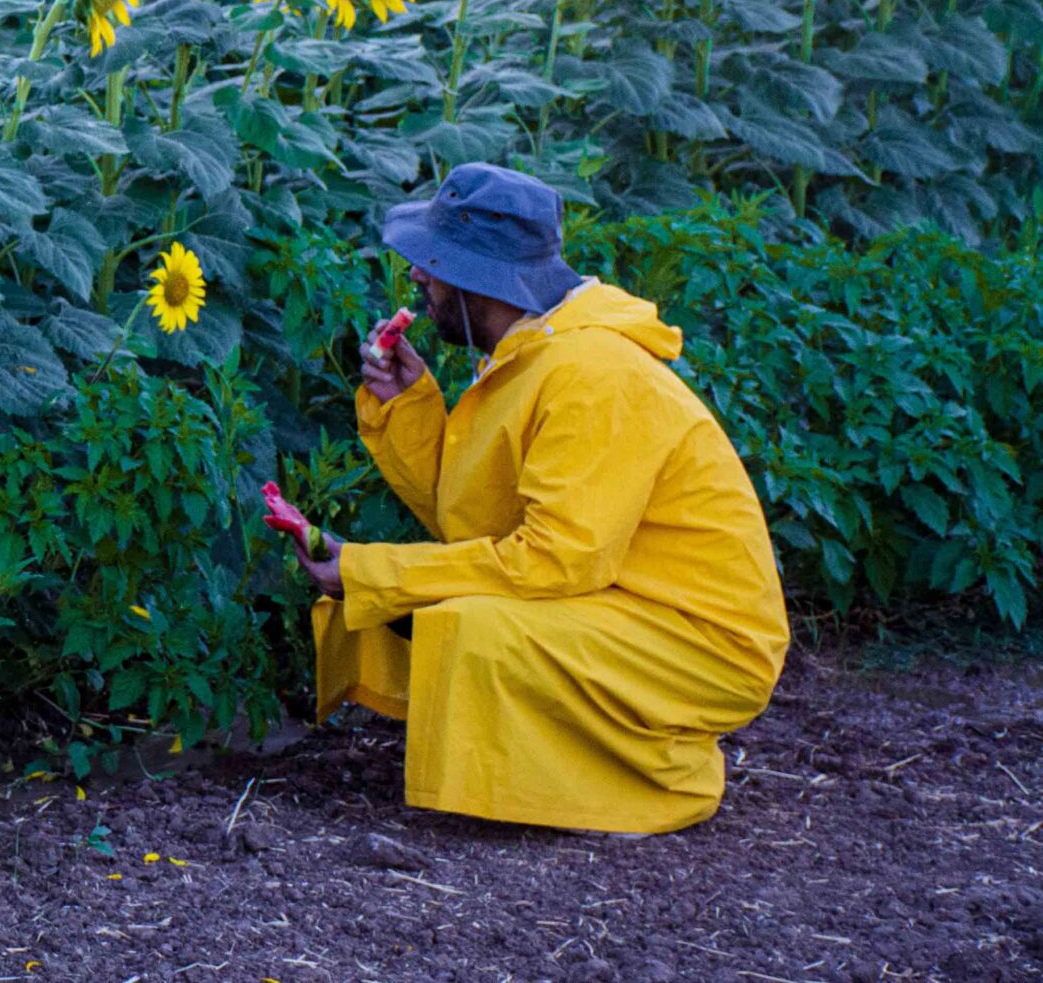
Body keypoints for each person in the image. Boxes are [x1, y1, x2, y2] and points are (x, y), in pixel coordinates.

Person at [298, 162, 790, 834]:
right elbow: (477, 516)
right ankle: (540, 773)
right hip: (631, 605)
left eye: (433, 264)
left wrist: (368, 570)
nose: (419, 277)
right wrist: (408, 406)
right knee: (457, 610)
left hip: (702, 644)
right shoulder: (535, 349)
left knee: (474, 624)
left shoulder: (594, 374)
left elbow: (552, 562)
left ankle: (664, 780)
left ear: (480, 278)